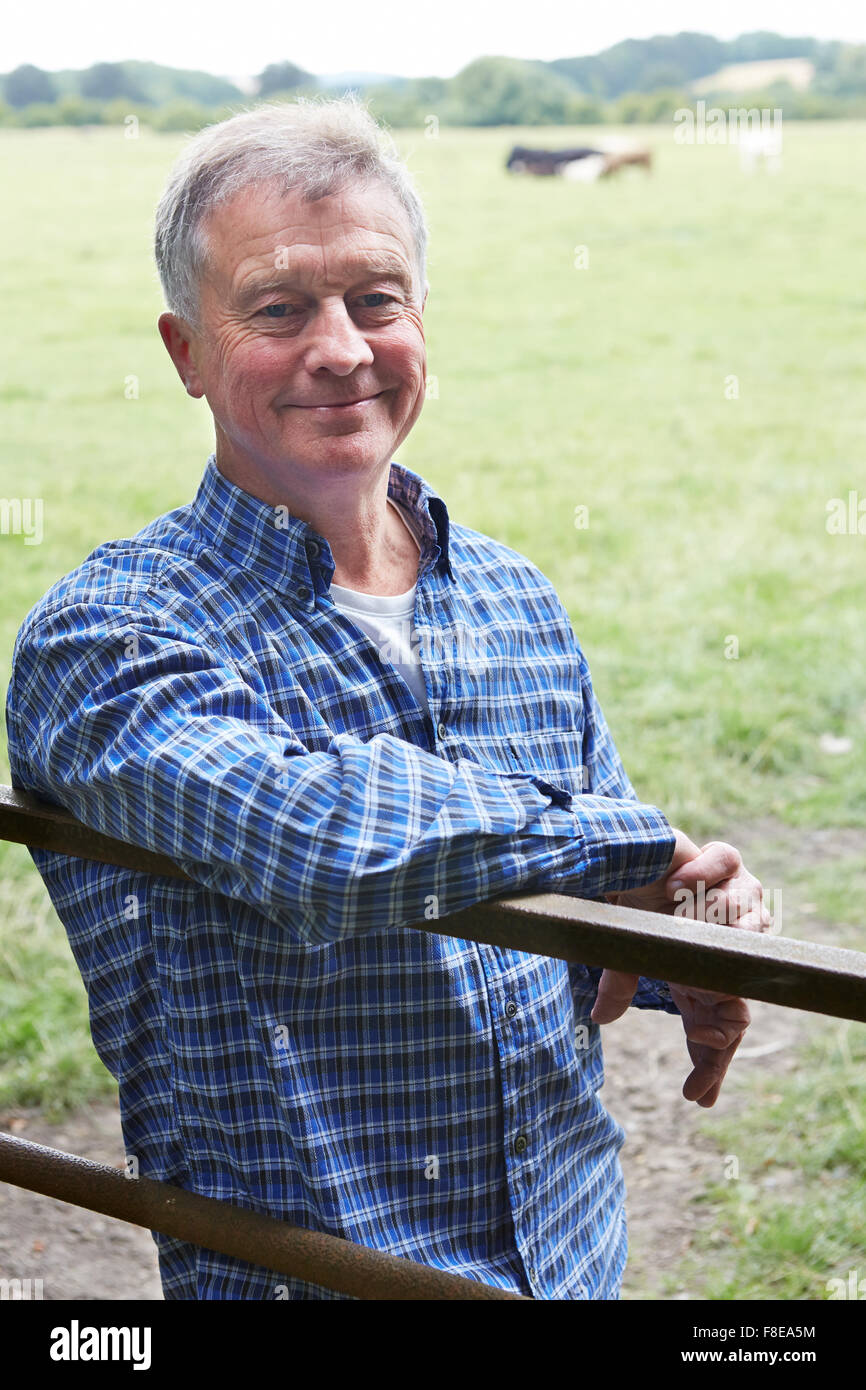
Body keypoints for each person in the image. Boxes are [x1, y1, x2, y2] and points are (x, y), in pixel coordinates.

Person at [5, 97, 767, 1301]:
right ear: (185, 352)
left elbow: (590, 895)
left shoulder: (511, 594)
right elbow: (320, 842)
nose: (344, 348)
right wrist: (628, 843)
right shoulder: (104, 637)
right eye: (277, 307)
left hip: (573, 1259)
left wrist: (699, 933)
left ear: (421, 319)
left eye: (376, 299)